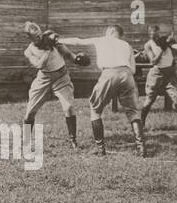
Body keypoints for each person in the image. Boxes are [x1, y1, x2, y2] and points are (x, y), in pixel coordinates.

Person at [58, 26, 146, 156]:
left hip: (109, 72)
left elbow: (78, 41)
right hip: (127, 75)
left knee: (95, 108)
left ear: (111, 32)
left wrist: (59, 40)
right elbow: (133, 70)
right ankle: (141, 148)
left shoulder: (101, 39)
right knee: (133, 112)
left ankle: (101, 149)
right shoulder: (127, 45)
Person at [21, 21, 86, 149]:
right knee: (30, 112)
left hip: (61, 77)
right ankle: (26, 142)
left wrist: (77, 59)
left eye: (40, 34)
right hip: (43, 79)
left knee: (68, 107)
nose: (40, 37)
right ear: (29, 38)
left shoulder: (52, 41)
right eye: (36, 36)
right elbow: (39, 65)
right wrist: (48, 50)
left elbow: (67, 54)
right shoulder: (29, 51)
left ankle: (73, 140)